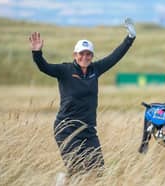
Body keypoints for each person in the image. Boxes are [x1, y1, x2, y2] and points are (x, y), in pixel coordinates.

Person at [29, 18, 136, 177]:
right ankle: (63, 181)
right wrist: (37, 53)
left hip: (88, 130)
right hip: (66, 129)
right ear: (75, 55)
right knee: (78, 169)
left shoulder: (95, 69)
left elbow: (115, 57)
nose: (85, 57)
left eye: (88, 54)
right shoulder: (64, 70)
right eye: (81, 53)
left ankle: (65, 180)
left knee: (98, 171)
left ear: (92, 55)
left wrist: (130, 38)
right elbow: (44, 67)